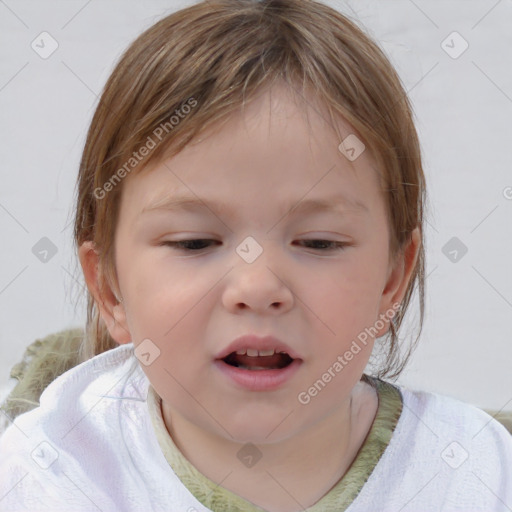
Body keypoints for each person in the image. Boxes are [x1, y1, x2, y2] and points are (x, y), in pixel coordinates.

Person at [1, 1, 511, 510]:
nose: (258, 287)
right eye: (194, 243)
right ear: (109, 288)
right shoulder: (51, 476)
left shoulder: (474, 474)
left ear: (391, 281)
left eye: (319, 243)